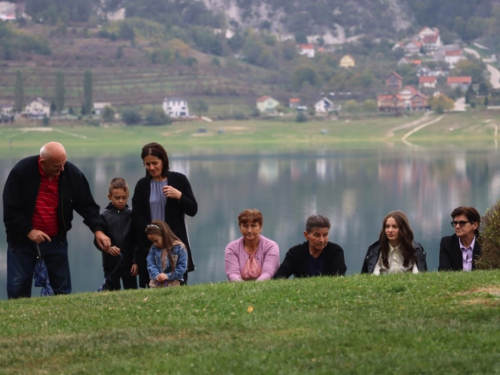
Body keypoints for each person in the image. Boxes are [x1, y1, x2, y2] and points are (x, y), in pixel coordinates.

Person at [3, 142, 111, 299]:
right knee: (18, 286)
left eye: (63, 164)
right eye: (57, 166)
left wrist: (98, 230)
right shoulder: (21, 171)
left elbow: (87, 205)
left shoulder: (71, 173)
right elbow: (10, 209)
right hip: (22, 241)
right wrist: (29, 231)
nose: (61, 169)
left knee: (62, 287)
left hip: (56, 241)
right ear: (42, 162)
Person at [131, 142, 197, 287]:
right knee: (150, 284)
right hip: (149, 244)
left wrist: (179, 196)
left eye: (155, 163)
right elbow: (136, 214)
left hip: (174, 243)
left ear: (164, 161)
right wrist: (151, 229)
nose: (151, 167)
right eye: (147, 164)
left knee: (177, 284)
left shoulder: (179, 180)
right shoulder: (142, 185)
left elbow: (192, 209)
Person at [94, 178, 138, 290]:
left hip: (129, 264)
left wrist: (136, 261)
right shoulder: (103, 216)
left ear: (128, 195)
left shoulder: (132, 215)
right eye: (117, 198)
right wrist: (107, 249)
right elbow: (97, 241)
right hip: (110, 264)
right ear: (109, 196)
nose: (121, 201)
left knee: (132, 291)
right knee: (111, 292)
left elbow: (137, 240)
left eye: (124, 198)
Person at [274, 215, 346, 279]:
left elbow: (338, 276)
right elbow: (280, 277)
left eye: (325, 235)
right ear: (306, 235)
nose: (321, 240)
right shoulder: (295, 253)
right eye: (317, 235)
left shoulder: (335, 251)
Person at [361, 210, 427, 274]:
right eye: (387, 226)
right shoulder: (375, 251)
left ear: (403, 229)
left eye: (394, 227)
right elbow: (372, 277)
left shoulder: (415, 250)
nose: (390, 230)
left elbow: (419, 276)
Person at [225, 209, 280, 281]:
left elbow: (268, 273)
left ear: (260, 228)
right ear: (240, 228)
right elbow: (233, 274)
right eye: (245, 226)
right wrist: (242, 287)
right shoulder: (231, 248)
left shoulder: (271, 246)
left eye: (253, 226)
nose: (249, 230)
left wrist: (255, 287)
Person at [146, 220, 188, 287]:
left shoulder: (179, 248)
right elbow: (150, 263)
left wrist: (167, 276)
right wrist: (157, 275)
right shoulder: (153, 248)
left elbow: (182, 267)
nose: (154, 244)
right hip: (156, 284)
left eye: (156, 241)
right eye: (152, 241)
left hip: (173, 284)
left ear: (164, 235)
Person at [439, 206, 481, 271]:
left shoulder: (486, 244)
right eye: (455, 223)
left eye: (462, 223)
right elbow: (444, 272)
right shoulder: (447, 243)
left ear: (475, 225)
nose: (457, 227)